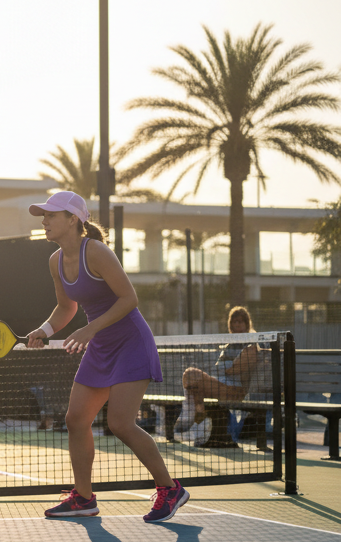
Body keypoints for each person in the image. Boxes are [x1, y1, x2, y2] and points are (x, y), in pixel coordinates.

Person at [25, 191, 189, 523]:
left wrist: (89, 330)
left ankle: (170, 489)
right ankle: (83, 498)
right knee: (75, 420)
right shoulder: (55, 261)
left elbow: (129, 298)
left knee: (120, 424)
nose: (44, 221)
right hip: (100, 345)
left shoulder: (97, 253)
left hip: (130, 342)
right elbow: (65, 307)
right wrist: (44, 330)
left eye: (51, 215)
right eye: (43, 215)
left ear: (73, 219)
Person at [175, 305, 262, 441]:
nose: (237, 324)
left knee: (191, 374)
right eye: (235, 321)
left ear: (246, 323)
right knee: (191, 379)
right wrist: (230, 367)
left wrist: (227, 368)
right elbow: (225, 369)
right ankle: (198, 418)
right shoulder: (229, 343)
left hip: (236, 390)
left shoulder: (251, 343)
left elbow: (236, 370)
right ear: (230, 324)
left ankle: (193, 419)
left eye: (241, 321)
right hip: (221, 384)